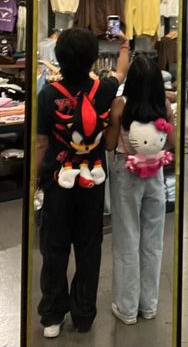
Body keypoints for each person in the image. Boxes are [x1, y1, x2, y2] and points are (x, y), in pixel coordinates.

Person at [36, 27, 129, 338]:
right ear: (92, 58)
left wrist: (36, 180)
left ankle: (52, 316)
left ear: (59, 57)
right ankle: (84, 314)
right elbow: (119, 72)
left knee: (55, 247)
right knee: (89, 248)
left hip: (56, 182)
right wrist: (124, 46)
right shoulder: (105, 90)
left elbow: (40, 143)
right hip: (93, 182)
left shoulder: (48, 94)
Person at [105, 54, 175, 325]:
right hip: (154, 172)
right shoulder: (164, 106)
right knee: (153, 241)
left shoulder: (120, 105)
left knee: (127, 239)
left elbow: (110, 144)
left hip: (126, 171)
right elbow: (172, 143)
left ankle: (127, 308)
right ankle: (149, 305)